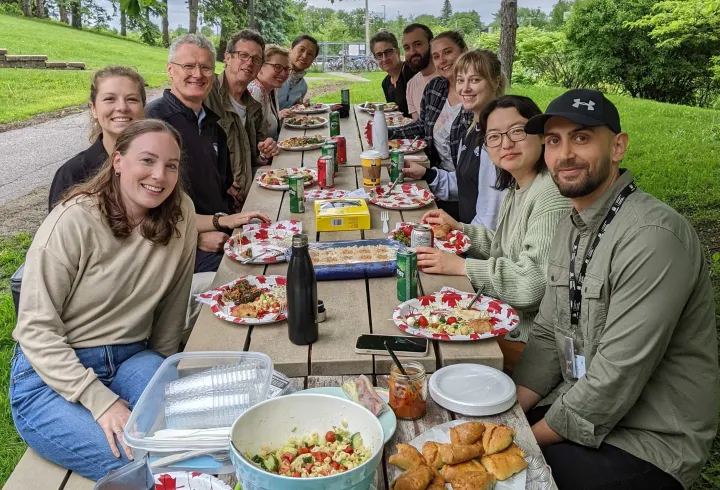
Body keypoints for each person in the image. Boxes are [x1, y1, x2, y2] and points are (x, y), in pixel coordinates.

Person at [512, 89, 719, 489]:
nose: (565, 154)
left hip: (647, 440)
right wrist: (508, 418)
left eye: (582, 138)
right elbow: (545, 338)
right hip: (577, 407)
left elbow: (615, 377)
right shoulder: (570, 225)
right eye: (554, 141)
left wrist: (518, 442)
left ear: (618, 146)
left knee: (511, 480)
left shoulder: (652, 237)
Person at [10, 119, 196, 481]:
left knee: (190, 438)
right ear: (118, 161)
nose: (159, 175)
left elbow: (174, 303)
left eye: (170, 165)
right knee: (139, 464)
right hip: (51, 378)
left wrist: (161, 370)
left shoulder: (181, 212)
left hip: (131, 357)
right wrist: (100, 400)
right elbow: (34, 329)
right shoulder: (74, 220)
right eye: (147, 160)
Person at [418, 95, 571, 373]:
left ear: (541, 134)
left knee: (428, 349)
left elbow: (532, 285)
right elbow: (508, 250)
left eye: (517, 131)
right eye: (495, 136)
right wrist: (462, 230)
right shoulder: (520, 185)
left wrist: (463, 266)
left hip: (526, 341)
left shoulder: (550, 196)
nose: (506, 143)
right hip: (504, 318)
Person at [146, 33, 269, 278]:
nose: (198, 74)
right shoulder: (155, 122)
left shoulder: (212, 124)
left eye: (205, 67)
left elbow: (223, 189)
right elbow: (144, 206)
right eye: (188, 66)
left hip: (223, 229)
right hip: (181, 246)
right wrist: (196, 235)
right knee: (254, 281)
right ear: (170, 70)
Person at [404, 49, 507, 228]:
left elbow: (493, 214)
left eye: (475, 80)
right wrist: (427, 174)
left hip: (484, 247)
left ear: (495, 82)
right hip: (470, 232)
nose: (465, 88)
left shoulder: (497, 137)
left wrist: (460, 237)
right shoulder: (471, 129)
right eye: (460, 80)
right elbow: (465, 184)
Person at [390, 30, 468, 219]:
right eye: (436, 56)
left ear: (464, 51)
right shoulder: (435, 88)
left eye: (448, 52)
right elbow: (422, 127)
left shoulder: (474, 98)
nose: (442, 60)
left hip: (463, 192)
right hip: (437, 177)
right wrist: (388, 133)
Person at [49, 66, 146, 210]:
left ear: (143, 107)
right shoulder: (72, 174)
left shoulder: (160, 165)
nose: (122, 107)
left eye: (131, 99)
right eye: (109, 99)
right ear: (93, 108)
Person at [205, 29, 279, 210]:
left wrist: (265, 152)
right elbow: (193, 152)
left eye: (256, 59)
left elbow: (255, 157)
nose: (249, 63)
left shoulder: (253, 106)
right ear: (227, 58)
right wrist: (221, 185)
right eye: (243, 55)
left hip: (248, 197)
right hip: (216, 203)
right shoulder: (206, 94)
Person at [248, 44, 291, 141]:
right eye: (278, 67)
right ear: (260, 66)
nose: (284, 73)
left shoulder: (271, 89)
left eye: (287, 69)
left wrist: (277, 116)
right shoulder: (255, 92)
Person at [371, 31, 416, 118]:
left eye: (388, 52)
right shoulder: (386, 83)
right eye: (379, 55)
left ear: (398, 52)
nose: (384, 59)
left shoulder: (410, 72)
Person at [402, 24, 438, 121]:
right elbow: (418, 128)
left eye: (417, 44)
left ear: (431, 44)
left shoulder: (449, 78)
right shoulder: (410, 86)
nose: (412, 52)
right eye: (407, 48)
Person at [277, 34, 320, 110]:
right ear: (291, 49)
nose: (304, 56)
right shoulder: (274, 74)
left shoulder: (303, 86)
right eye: (301, 49)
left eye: (310, 54)